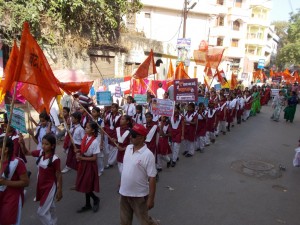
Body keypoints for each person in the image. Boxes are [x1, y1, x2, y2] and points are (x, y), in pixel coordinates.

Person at [19, 133, 63, 225]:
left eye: (46, 144)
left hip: (50, 187)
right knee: (50, 206)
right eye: (42, 143)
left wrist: (59, 189)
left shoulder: (55, 159)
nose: (43, 146)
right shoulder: (40, 153)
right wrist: (22, 144)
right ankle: (54, 221)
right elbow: (26, 153)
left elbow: (58, 175)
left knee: (41, 212)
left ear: (52, 146)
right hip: (41, 185)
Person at [119, 124, 158, 225]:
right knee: (124, 221)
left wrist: (151, 199)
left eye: (133, 135)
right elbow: (126, 167)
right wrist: (121, 181)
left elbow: (152, 177)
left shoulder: (148, 155)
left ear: (141, 138)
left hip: (139, 195)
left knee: (144, 221)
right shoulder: (128, 148)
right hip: (124, 193)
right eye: (130, 134)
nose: (130, 137)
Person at [0, 136, 29, 225]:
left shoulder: (17, 162)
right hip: (1, 196)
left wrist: (5, 182)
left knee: (9, 221)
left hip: (12, 198)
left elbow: (25, 182)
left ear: (5, 149)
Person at [75, 121, 100, 213]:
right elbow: (84, 149)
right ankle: (88, 204)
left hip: (89, 164)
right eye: (85, 127)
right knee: (84, 184)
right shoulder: (85, 137)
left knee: (86, 184)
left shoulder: (95, 142)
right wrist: (78, 150)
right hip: (83, 163)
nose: (85, 129)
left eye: (88, 128)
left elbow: (94, 158)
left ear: (93, 130)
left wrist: (82, 157)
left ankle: (95, 199)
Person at [91, 106, 105, 176]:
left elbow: (102, 133)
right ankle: (95, 169)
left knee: (99, 156)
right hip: (93, 138)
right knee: (93, 154)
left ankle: (101, 169)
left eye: (94, 112)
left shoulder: (101, 121)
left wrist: (101, 143)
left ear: (98, 113)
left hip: (99, 138)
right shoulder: (91, 120)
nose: (92, 113)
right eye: (92, 111)